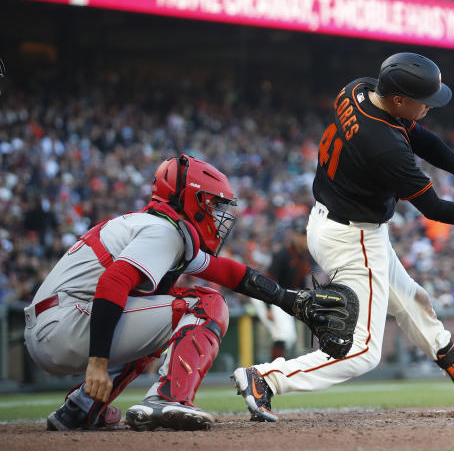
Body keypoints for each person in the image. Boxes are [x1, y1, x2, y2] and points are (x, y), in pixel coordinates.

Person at [233, 51, 454, 421]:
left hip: (337, 223)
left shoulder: (359, 89)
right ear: (399, 100)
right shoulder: (384, 146)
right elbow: (435, 209)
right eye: (424, 102)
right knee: (363, 351)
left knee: (411, 302)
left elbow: (422, 138)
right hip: (352, 237)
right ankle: (266, 378)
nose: (430, 108)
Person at [24, 155, 315, 431]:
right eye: (213, 205)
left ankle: (81, 407)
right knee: (205, 304)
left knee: (164, 311)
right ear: (192, 198)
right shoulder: (164, 231)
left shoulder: (157, 227)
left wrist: (289, 299)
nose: (217, 215)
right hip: (66, 324)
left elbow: (228, 272)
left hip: (56, 323)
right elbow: (112, 283)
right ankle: (168, 398)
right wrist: (97, 362)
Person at [250, 230, 313, 359]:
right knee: (283, 336)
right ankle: (274, 371)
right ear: (296, 237)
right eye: (303, 236)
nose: (305, 240)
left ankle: (273, 370)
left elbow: (301, 286)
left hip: (280, 298)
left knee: (286, 337)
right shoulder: (284, 254)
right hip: (264, 296)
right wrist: (268, 307)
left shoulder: (305, 258)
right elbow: (269, 281)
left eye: (307, 236)